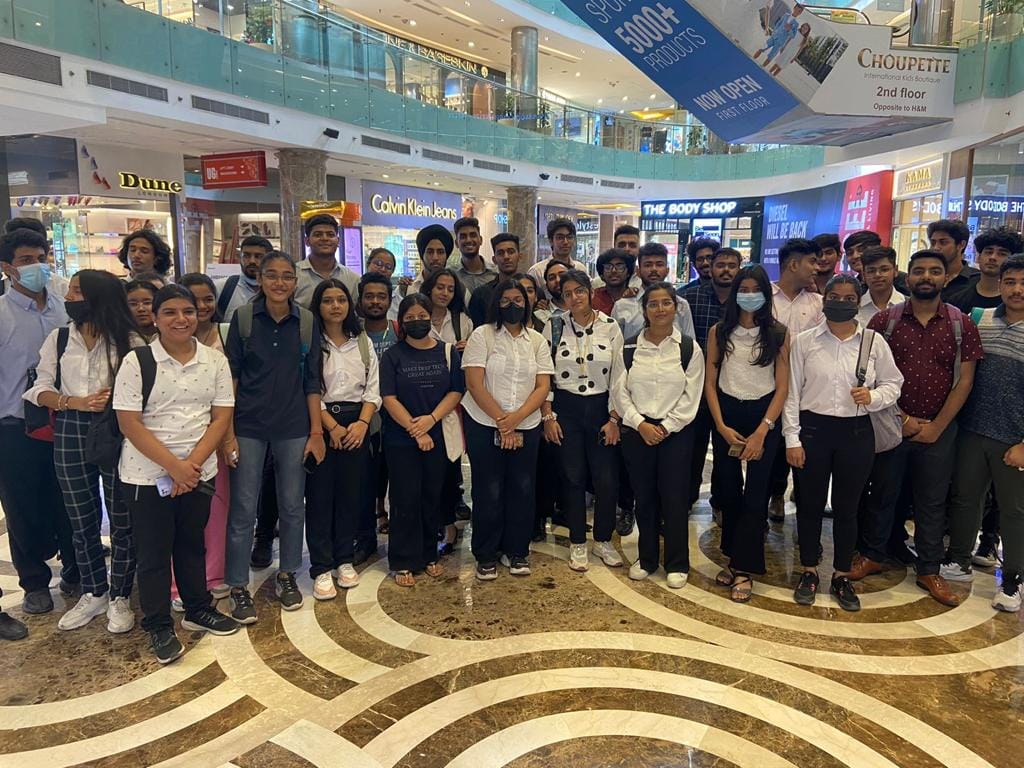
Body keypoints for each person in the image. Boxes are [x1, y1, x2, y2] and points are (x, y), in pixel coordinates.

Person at [114, 285, 240, 663]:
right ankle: (158, 624)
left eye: (188, 311)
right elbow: (129, 423)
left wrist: (192, 467)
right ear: (155, 318)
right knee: (154, 553)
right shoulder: (137, 361)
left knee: (191, 543)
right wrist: (175, 467)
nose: (181, 319)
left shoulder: (214, 360)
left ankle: (197, 608)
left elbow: (221, 417)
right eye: (169, 312)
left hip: (198, 471)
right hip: (147, 474)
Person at [23, 270, 141, 634]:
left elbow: (143, 389)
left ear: (98, 296)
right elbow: (38, 388)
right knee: (80, 516)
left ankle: (120, 594)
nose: (69, 297)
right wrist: (72, 401)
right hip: (71, 427)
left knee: (121, 515)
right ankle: (94, 591)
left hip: (117, 428)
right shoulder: (60, 338)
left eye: (77, 291)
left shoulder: (130, 340)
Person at [866, 249, 984, 606]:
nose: (927, 277)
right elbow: (870, 376)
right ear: (908, 275)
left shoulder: (962, 325)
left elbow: (965, 381)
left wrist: (937, 427)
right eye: (919, 271)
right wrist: (902, 419)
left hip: (940, 429)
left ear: (946, 278)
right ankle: (873, 555)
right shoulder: (884, 322)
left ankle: (929, 569)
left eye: (935, 271)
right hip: (891, 424)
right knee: (882, 494)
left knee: (931, 502)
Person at [784, 275, 903, 611]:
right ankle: (809, 570)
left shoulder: (873, 342)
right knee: (809, 504)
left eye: (849, 298)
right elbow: (792, 393)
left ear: (857, 302)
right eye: (834, 296)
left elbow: (894, 383)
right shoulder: (805, 341)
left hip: (856, 432)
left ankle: (841, 574)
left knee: (847, 508)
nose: (840, 302)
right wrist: (792, 438)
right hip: (813, 430)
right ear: (824, 300)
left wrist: (873, 397)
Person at [223, 251, 325, 623]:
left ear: (295, 282)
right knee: (243, 508)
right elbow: (231, 379)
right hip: (248, 425)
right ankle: (237, 585)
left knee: (292, 505)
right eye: (272, 275)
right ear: (260, 279)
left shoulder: (306, 322)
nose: (279, 283)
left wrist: (316, 431)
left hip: (293, 426)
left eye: (286, 276)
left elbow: (312, 381)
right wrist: (227, 433)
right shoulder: (243, 319)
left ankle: (287, 574)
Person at [0, 227, 77, 640]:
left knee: (70, 499)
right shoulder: (1, 315)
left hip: (64, 421)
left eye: (41, 258)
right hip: (15, 426)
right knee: (23, 506)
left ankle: (76, 569)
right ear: (7, 268)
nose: (36, 267)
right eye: (26, 261)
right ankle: (34, 582)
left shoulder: (65, 308)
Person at [943, 256, 1024, 610]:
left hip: (1014, 439)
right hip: (972, 430)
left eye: (1023, 282)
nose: (1017, 289)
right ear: (1000, 284)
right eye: (1010, 282)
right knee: (966, 498)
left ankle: (1013, 581)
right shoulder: (980, 319)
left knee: (1014, 511)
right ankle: (959, 560)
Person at [704, 265, 789, 601]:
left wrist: (762, 431)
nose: (749, 295)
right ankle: (733, 556)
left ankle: (743, 568)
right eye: (744, 289)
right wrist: (721, 426)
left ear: (765, 295)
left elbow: (782, 388)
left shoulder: (778, 333)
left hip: (763, 415)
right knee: (728, 491)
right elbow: (710, 383)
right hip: (727, 413)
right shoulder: (719, 332)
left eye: (756, 290)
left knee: (756, 494)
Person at [462, 279, 553, 579]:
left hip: (526, 424)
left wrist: (516, 420)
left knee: (522, 490)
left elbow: (542, 386)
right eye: (505, 300)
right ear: (496, 304)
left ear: (527, 304)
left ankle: (517, 551)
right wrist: (503, 421)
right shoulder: (482, 335)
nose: (512, 305)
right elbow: (474, 383)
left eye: (518, 300)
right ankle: (486, 553)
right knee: (488, 490)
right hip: (484, 423)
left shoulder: (537, 340)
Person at [615, 282, 704, 587]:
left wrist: (665, 427)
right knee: (644, 497)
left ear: (676, 308)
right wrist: (640, 424)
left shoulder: (688, 349)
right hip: (637, 431)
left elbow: (691, 397)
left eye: (666, 303)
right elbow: (619, 392)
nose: (660, 309)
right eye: (653, 304)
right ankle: (647, 558)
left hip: (675, 433)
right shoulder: (629, 347)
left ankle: (677, 563)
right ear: (644, 310)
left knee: (675, 499)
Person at [541, 269, 625, 572]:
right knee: (572, 477)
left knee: (606, 479)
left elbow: (619, 376)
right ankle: (577, 541)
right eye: (567, 294)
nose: (574, 297)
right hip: (566, 409)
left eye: (579, 291)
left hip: (601, 408)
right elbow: (544, 375)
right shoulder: (553, 327)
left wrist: (614, 418)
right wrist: (548, 416)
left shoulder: (610, 326)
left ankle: (603, 539)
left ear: (590, 292)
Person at [380, 293, 465, 586]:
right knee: (405, 498)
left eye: (422, 316)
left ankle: (429, 554)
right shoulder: (392, 355)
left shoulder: (447, 351)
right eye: (410, 318)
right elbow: (388, 397)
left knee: (432, 496)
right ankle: (403, 560)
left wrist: (430, 420)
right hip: (401, 438)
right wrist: (416, 430)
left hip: (437, 433)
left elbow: (456, 391)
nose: (417, 321)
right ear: (401, 321)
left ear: (430, 317)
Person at [306, 279, 380, 599]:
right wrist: (331, 427)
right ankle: (321, 566)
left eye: (341, 300)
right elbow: (308, 387)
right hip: (320, 422)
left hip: (357, 424)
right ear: (318, 306)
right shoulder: (311, 341)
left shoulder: (361, 341)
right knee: (320, 497)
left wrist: (362, 423)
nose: (335, 306)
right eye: (328, 300)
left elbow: (373, 387)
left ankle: (344, 559)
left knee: (351, 495)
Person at [176, 274, 233, 607]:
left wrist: (227, 436)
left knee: (216, 508)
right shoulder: (161, 344)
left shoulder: (225, 334)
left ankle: (214, 575)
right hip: (174, 443)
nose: (201, 306)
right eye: (192, 300)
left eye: (207, 298)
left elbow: (233, 388)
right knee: (180, 516)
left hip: (217, 436)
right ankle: (179, 583)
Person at [679, 247, 741, 512]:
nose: (725, 270)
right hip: (695, 388)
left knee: (727, 452)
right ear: (710, 267)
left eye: (732, 265)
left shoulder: (744, 300)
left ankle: (722, 503)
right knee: (693, 450)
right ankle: (687, 499)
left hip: (732, 389)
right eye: (720, 264)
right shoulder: (688, 298)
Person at [767, 238, 823, 522]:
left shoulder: (818, 303)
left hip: (807, 390)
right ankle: (774, 494)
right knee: (773, 450)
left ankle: (805, 510)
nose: (817, 268)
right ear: (792, 264)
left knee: (805, 449)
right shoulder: (764, 298)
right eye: (811, 262)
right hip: (769, 388)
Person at [421, 267, 472, 551]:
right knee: (427, 468)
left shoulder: (462, 320)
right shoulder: (418, 315)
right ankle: (430, 523)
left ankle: (450, 523)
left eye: (450, 289)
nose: (444, 293)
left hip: (453, 401)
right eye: (440, 287)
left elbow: (472, 358)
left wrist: (463, 349)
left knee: (450, 464)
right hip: (421, 398)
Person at [358, 271, 399, 548]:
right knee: (366, 471)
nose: (375, 301)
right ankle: (366, 530)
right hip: (363, 412)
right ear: (360, 299)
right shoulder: (353, 332)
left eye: (381, 296)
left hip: (396, 410)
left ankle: (393, 518)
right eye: (369, 296)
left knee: (393, 466)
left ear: (390, 300)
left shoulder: (399, 329)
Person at [616, 243, 696, 340]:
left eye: (659, 264)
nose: (654, 269)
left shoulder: (681, 305)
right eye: (648, 265)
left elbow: (690, 342)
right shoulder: (621, 306)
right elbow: (615, 346)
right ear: (638, 271)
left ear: (667, 270)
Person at [947, 226, 1023, 312]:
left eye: (1002, 254)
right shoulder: (957, 300)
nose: (992, 257)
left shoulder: (1017, 301)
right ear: (978, 257)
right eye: (989, 252)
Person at [294, 214, 359, 306]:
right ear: (307, 241)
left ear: (338, 241)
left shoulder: (352, 279)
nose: (325, 238)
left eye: (330, 235)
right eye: (318, 235)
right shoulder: (294, 275)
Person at [0, 217, 69, 298]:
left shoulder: (62, 288)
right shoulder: (3, 287)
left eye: (41, 258)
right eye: (26, 260)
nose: (36, 264)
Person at [468, 234, 522, 327]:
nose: (506, 257)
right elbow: (476, 329)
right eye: (500, 253)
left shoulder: (531, 291)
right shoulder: (481, 294)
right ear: (494, 259)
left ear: (520, 256)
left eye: (511, 252)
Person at [216, 235, 271, 322]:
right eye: (246, 256)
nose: (252, 261)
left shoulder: (277, 290)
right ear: (239, 257)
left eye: (258, 256)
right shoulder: (221, 288)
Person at [927, 219, 979, 300]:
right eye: (933, 243)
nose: (936, 248)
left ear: (961, 245)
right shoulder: (926, 277)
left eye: (943, 242)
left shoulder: (976, 280)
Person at [528, 218, 583, 293]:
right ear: (551, 241)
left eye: (569, 237)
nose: (565, 242)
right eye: (560, 238)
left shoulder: (580, 268)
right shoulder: (537, 271)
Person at [451, 217, 498, 294]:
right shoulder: (451, 275)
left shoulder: (496, 273)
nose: (468, 240)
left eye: (473, 235)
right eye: (463, 237)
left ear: (481, 240)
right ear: (456, 243)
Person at [591, 248, 636, 315]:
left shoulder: (635, 296)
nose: (614, 271)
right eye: (608, 267)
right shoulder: (593, 297)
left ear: (628, 273)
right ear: (601, 275)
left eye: (620, 267)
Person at [534, 260, 570, 324]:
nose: (558, 280)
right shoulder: (540, 316)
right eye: (552, 278)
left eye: (562, 275)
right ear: (547, 286)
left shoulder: (585, 309)